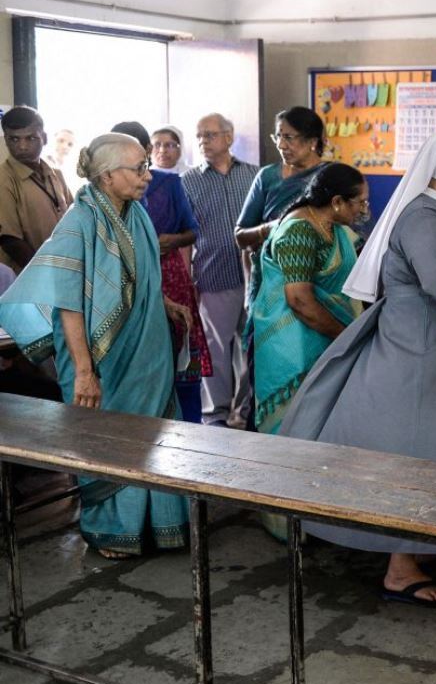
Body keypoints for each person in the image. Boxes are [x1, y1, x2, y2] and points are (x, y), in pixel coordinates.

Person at [280, 131, 436, 607]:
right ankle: (400, 565)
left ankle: (421, 545)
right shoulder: (425, 217)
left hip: (429, 345)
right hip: (421, 350)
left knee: (430, 453)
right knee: (416, 453)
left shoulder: (433, 212)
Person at [0, 133, 192, 558]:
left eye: (146, 166)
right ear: (107, 175)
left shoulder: (136, 213)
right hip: (99, 356)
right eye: (138, 168)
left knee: (152, 432)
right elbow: (68, 302)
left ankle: (156, 525)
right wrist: (84, 371)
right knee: (103, 436)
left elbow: (138, 276)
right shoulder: (79, 221)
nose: (147, 175)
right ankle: (111, 531)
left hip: (146, 350)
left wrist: (164, 301)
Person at [253, 162, 364, 437]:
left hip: (320, 336)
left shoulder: (333, 228)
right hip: (293, 343)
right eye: (359, 202)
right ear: (337, 201)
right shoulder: (299, 231)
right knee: (294, 429)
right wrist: (346, 336)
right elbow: (300, 300)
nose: (363, 209)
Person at [181, 113, 257, 427]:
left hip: (253, 277)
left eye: (209, 135)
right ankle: (216, 415)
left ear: (228, 137)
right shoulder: (189, 180)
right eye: (199, 136)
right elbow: (185, 234)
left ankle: (244, 411)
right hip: (213, 276)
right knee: (215, 348)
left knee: (250, 345)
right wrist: (187, 279)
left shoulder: (254, 175)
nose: (203, 142)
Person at [132, 122, 212, 423]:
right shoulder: (99, 198)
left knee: (180, 347)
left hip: (169, 273)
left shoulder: (167, 182)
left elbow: (192, 232)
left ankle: (189, 424)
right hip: (131, 278)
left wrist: (168, 241)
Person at [235, 106, 329, 307]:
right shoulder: (267, 176)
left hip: (318, 282)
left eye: (288, 137)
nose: (281, 145)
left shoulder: (330, 177)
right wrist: (269, 228)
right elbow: (241, 237)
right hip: (268, 281)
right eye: (277, 136)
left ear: (312, 141)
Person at [0, 106, 73, 272]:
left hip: (63, 270)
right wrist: (43, 273)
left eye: (31, 138)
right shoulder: (4, 179)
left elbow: (74, 219)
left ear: (44, 138)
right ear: (6, 141)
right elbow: (9, 240)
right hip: (26, 280)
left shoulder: (56, 175)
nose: (22, 146)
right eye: (14, 139)